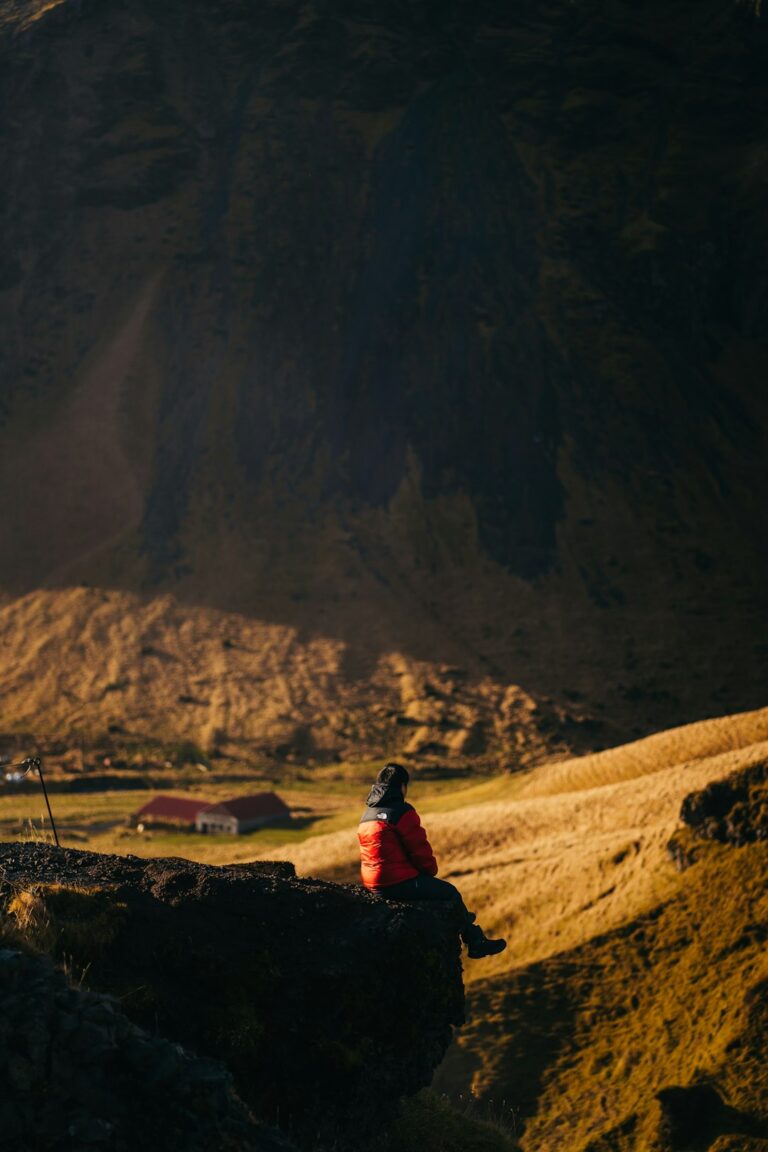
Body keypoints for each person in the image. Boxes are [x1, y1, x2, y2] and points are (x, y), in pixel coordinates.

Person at [357, 762, 507, 959]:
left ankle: (461, 917)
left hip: (372, 884)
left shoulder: (367, 814)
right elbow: (420, 851)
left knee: (444, 894)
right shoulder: (402, 811)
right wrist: (429, 871)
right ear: (402, 786)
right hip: (396, 884)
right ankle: (476, 941)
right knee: (450, 892)